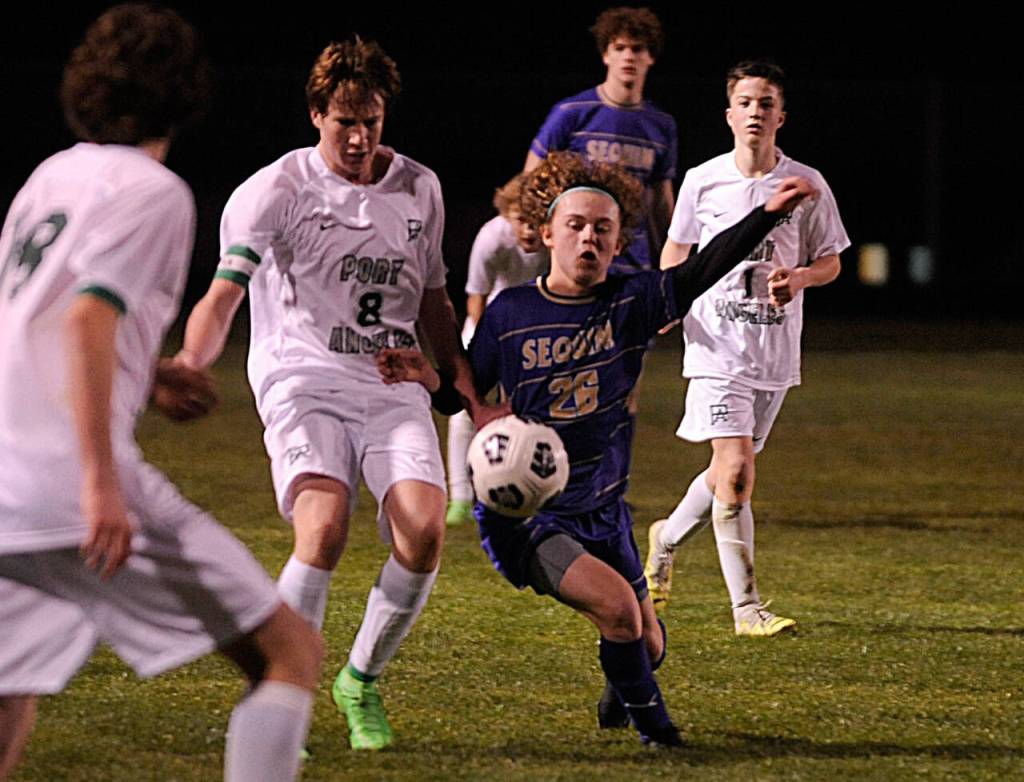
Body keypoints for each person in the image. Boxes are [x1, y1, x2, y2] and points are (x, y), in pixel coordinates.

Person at [377, 152, 816, 746]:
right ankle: (659, 734)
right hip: (529, 517)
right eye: (577, 225)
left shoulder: (631, 304)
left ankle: (623, 686)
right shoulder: (512, 313)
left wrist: (766, 214)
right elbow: (462, 400)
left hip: (604, 512)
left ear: (617, 244)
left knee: (649, 643)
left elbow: (702, 268)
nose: (589, 236)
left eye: (603, 229)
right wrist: (426, 376)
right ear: (547, 234)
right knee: (619, 612)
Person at [0, 6, 322, 781]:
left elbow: (35, 327)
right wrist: (100, 482)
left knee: (10, 690)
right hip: (63, 484)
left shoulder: (52, 175)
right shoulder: (155, 191)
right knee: (288, 652)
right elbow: (85, 319)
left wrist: (146, 377)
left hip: (5, 480)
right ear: (186, 95)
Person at [173, 36, 491, 751]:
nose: (358, 136)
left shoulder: (419, 187)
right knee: (323, 529)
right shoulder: (274, 190)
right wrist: (193, 359)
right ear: (316, 113)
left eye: (372, 121)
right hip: (301, 377)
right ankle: (279, 691)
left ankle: (360, 678)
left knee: (426, 531)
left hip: (390, 382)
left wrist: (459, 377)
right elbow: (225, 292)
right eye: (344, 120)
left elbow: (435, 296)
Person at [645, 60, 850, 636]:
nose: (756, 112)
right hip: (715, 347)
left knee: (723, 474)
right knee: (736, 471)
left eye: (766, 103)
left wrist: (801, 279)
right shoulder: (703, 181)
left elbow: (831, 259)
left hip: (773, 353)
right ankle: (747, 610)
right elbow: (676, 253)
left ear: (781, 116)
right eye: (746, 102)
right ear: (729, 114)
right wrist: (669, 304)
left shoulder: (806, 184)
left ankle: (664, 541)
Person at [524, 6, 677, 274]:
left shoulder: (661, 125)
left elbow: (661, 205)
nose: (629, 56)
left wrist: (673, 263)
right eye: (620, 48)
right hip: (575, 261)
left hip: (633, 265)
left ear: (650, 57)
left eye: (638, 48)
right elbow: (531, 177)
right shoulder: (571, 113)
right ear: (606, 54)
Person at [445, 174, 548, 526]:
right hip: (491, 321)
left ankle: (528, 489)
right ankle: (460, 496)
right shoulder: (492, 237)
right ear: (508, 215)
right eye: (522, 219)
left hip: (537, 326)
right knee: (465, 410)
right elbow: (476, 295)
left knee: (531, 410)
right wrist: (487, 344)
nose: (530, 229)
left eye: (537, 220)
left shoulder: (557, 238)